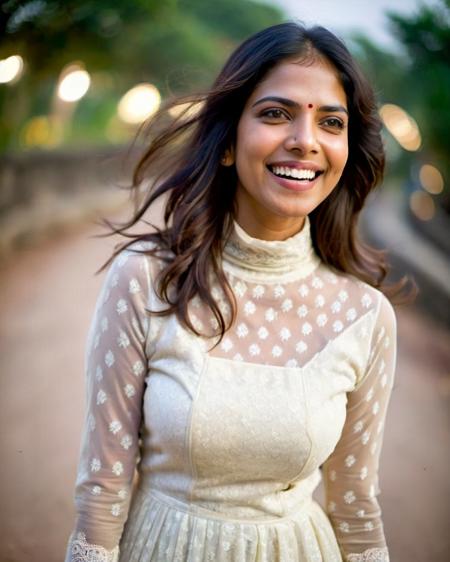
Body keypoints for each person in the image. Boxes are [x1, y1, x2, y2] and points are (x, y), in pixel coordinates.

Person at [65, 21, 402, 562]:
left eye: (331, 122)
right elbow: (103, 488)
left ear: (344, 151)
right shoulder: (147, 281)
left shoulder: (365, 318)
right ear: (227, 143)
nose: (304, 141)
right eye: (275, 113)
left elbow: (356, 504)